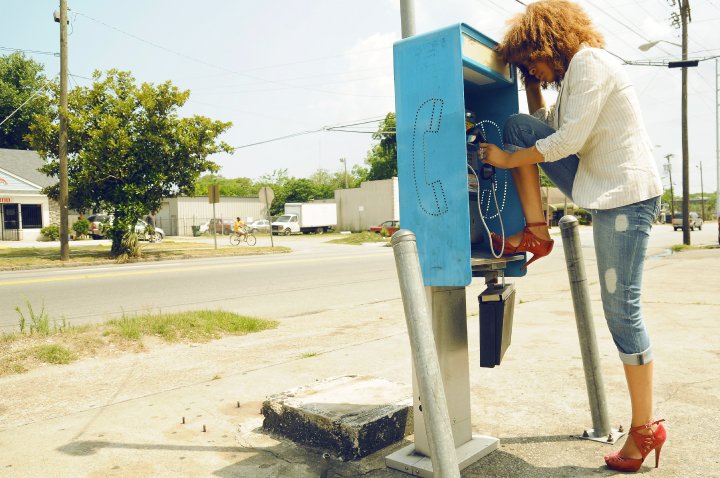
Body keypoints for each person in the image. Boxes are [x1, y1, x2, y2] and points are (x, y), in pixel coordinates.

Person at [481, 0, 666, 472]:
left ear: (547, 43)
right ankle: (536, 232)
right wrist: (530, 89)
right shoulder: (574, 77)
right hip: (603, 190)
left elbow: (563, 143)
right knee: (517, 127)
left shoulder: (590, 65)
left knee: (621, 308)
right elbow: (540, 129)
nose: (537, 72)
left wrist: (502, 161)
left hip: (625, 195)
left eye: (533, 62)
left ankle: (646, 430)